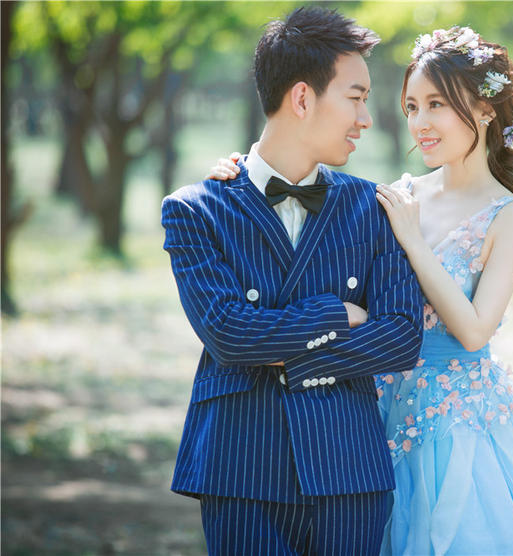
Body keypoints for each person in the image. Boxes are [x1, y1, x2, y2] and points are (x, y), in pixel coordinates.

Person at [211, 26, 513, 556]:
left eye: (436, 105)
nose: (420, 123)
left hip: (460, 424)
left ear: (485, 110)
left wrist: (413, 241)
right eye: (411, 106)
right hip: (375, 410)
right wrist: (240, 174)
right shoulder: (399, 195)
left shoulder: (510, 216)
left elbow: (474, 331)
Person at [162, 7, 423, 555]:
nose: (366, 118)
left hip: (349, 467)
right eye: (355, 97)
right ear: (303, 98)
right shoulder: (196, 209)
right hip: (241, 465)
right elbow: (230, 334)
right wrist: (337, 314)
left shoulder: (374, 207)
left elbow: (401, 337)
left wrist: (287, 356)